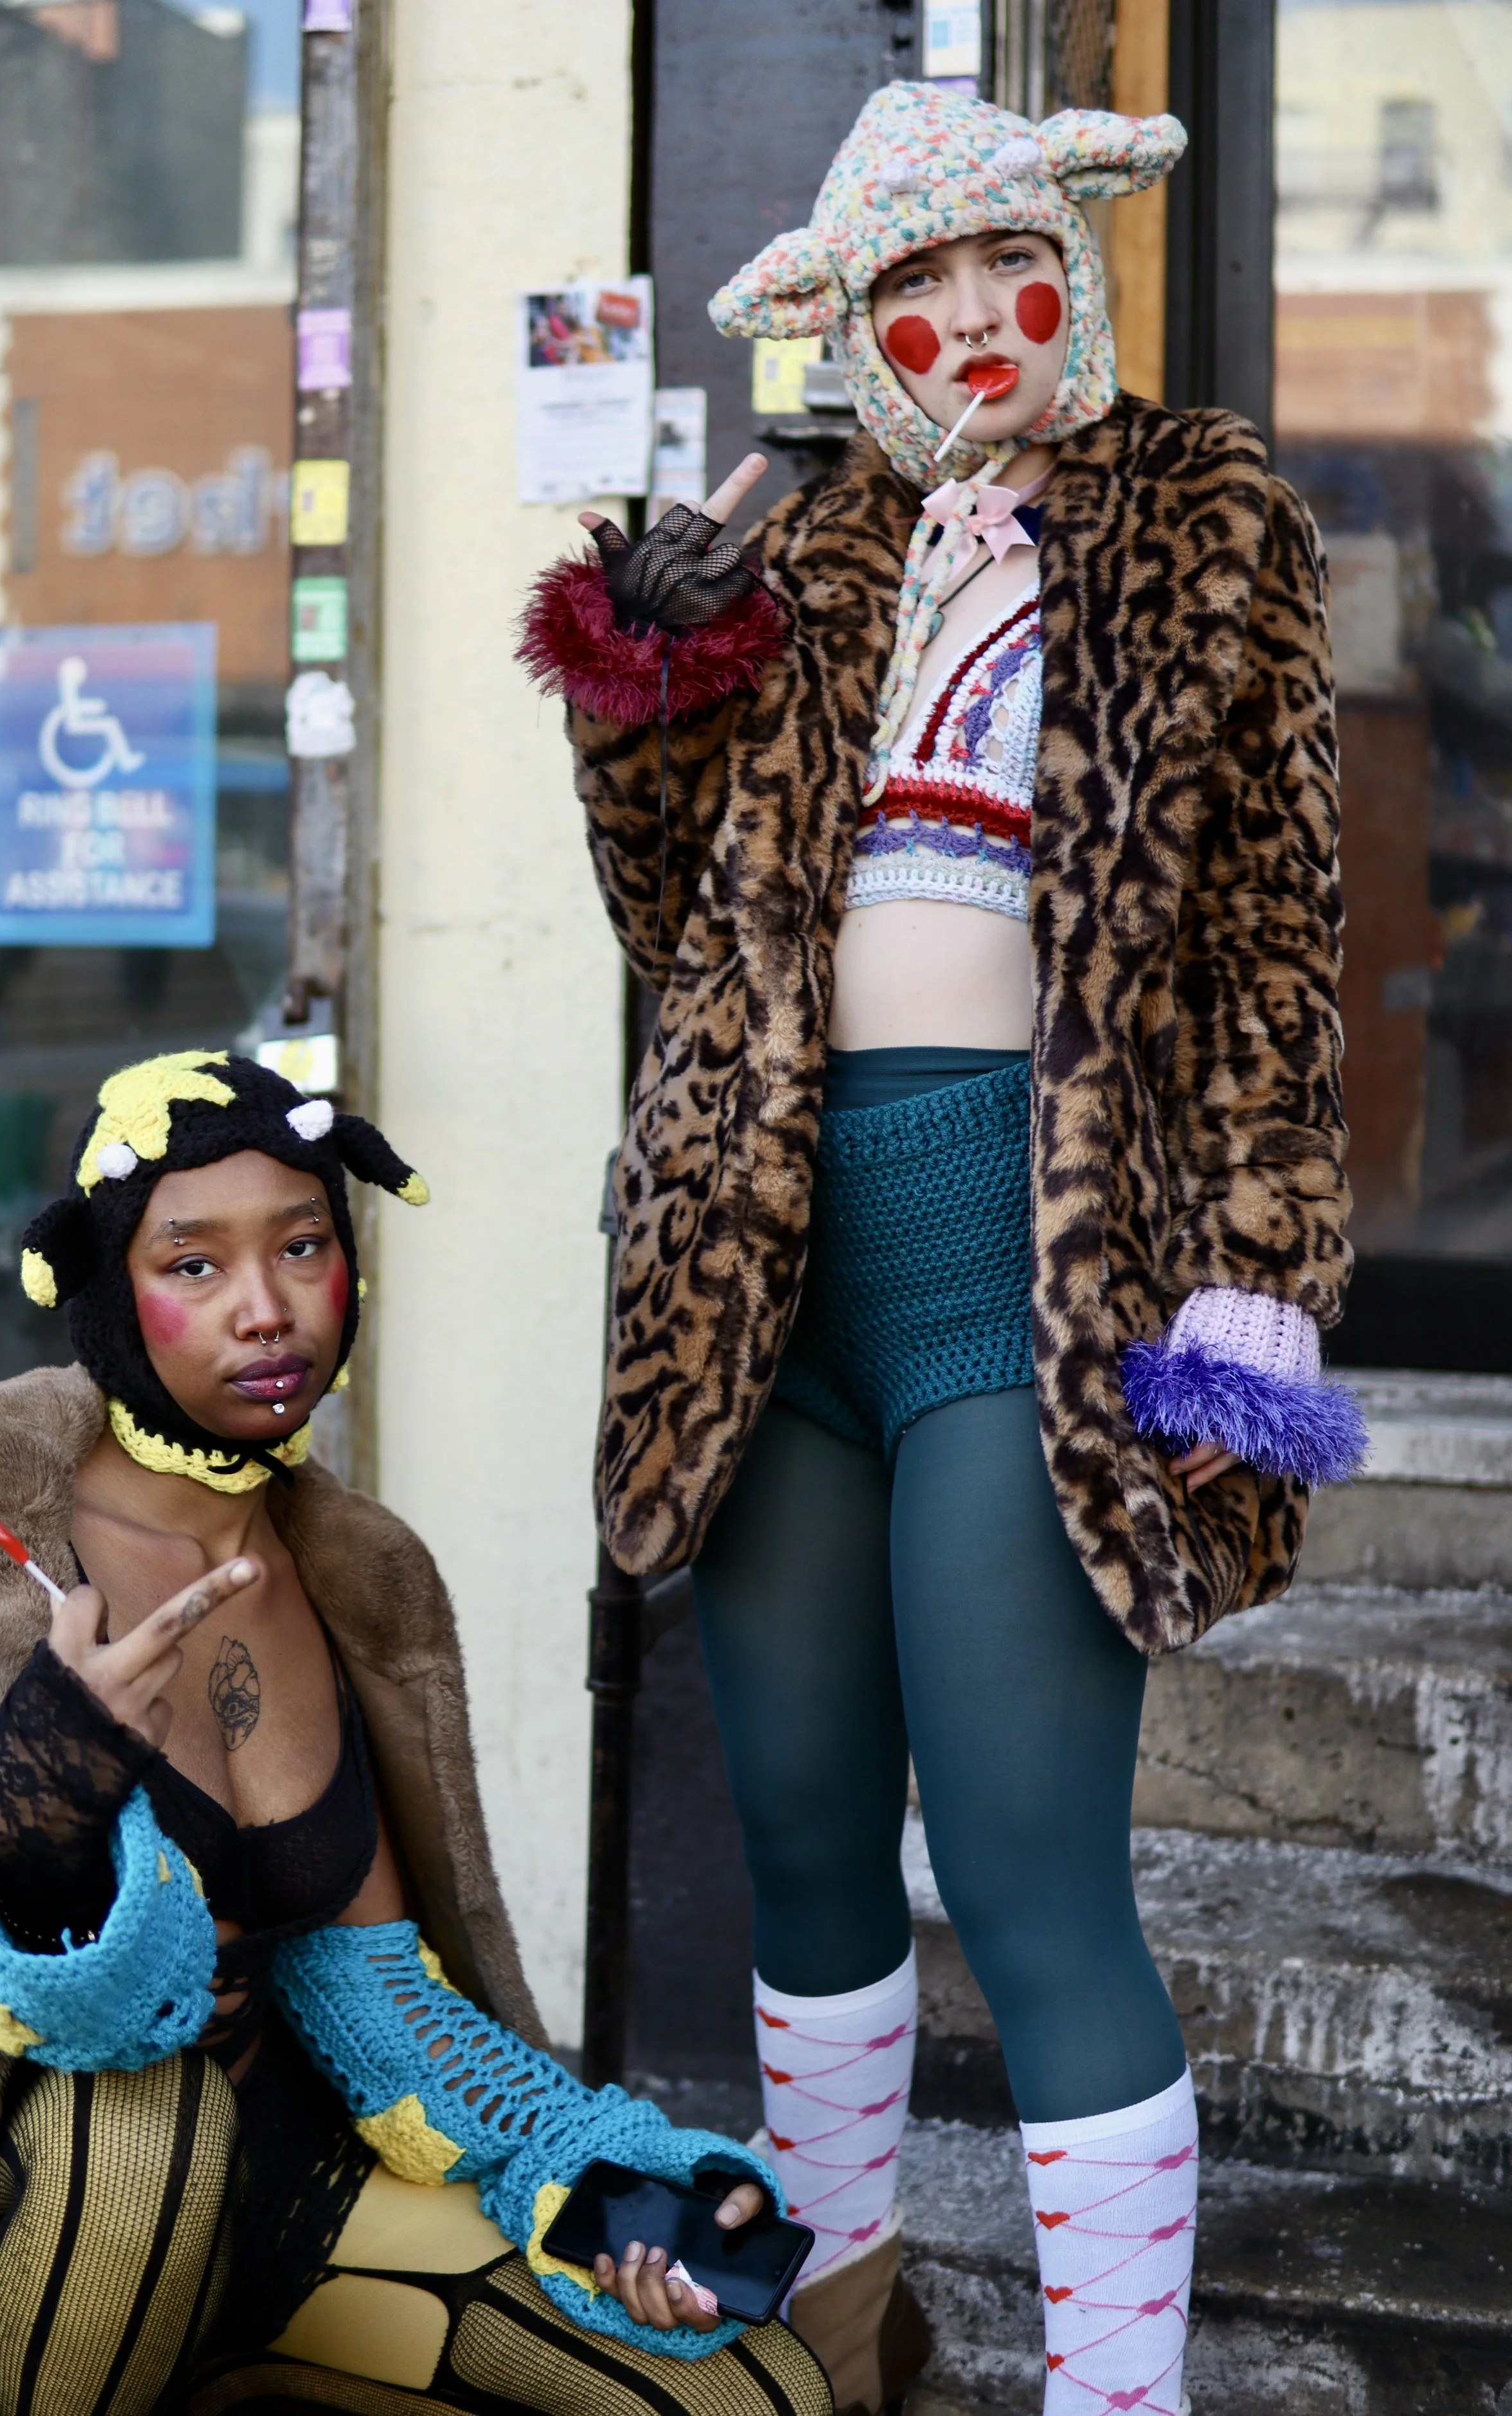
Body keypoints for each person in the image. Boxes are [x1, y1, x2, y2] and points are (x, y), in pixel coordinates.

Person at [519, 81, 1364, 2416]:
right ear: (857, 329)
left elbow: (1278, 932)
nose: (972, 317)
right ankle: (831, 2341)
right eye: (915, 284)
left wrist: (1263, 1267)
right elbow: (670, 917)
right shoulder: (817, 551)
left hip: (1036, 1264)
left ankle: (1119, 2395)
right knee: (798, 1840)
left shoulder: (1206, 511)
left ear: (1072, 261)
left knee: (1023, 1867)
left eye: (1005, 262)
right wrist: (648, 682)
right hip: (772, 1260)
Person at [0, 1048, 832, 2416]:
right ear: (106, 1283)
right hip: (52, 2210)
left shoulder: (354, 1577)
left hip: (301, 2194)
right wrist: (46, 1782)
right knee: (148, 2117)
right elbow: (31, 1987)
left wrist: (609, 2180)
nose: (266, 1311)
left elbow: (377, 1996)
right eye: (194, 1265)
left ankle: (254, 2364)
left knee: (759, 2394)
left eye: (301, 1247)